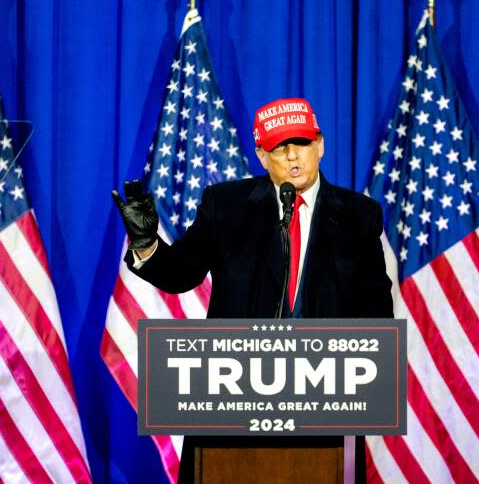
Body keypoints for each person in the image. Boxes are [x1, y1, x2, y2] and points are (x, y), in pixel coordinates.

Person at [112, 97, 392, 483]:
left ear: (321, 145)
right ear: (261, 155)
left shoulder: (359, 216)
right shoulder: (227, 206)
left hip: (325, 409)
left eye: (303, 143)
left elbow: (377, 314)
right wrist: (146, 244)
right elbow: (181, 274)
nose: (293, 156)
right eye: (280, 147)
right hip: (233, 413)